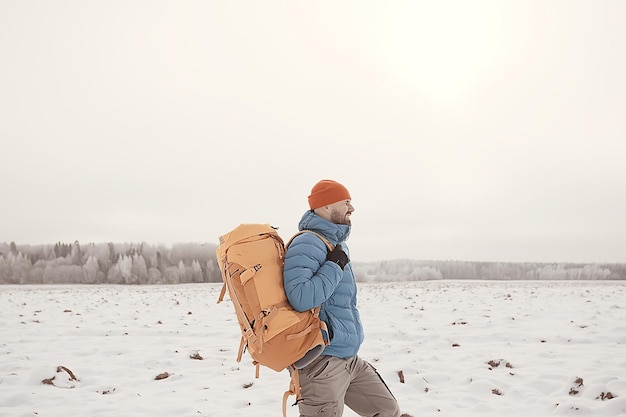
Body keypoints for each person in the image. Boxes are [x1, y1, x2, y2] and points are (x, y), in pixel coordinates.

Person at [284, 179, 403, 417]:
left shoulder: (336, 244)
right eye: (346, 202)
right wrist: (335, 264)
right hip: (322, 362)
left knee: (387, 410)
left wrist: (336, 259)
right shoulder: (308, 242)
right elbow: (300, 297)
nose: (352, 208)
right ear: (326, 206)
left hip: (348, 357)